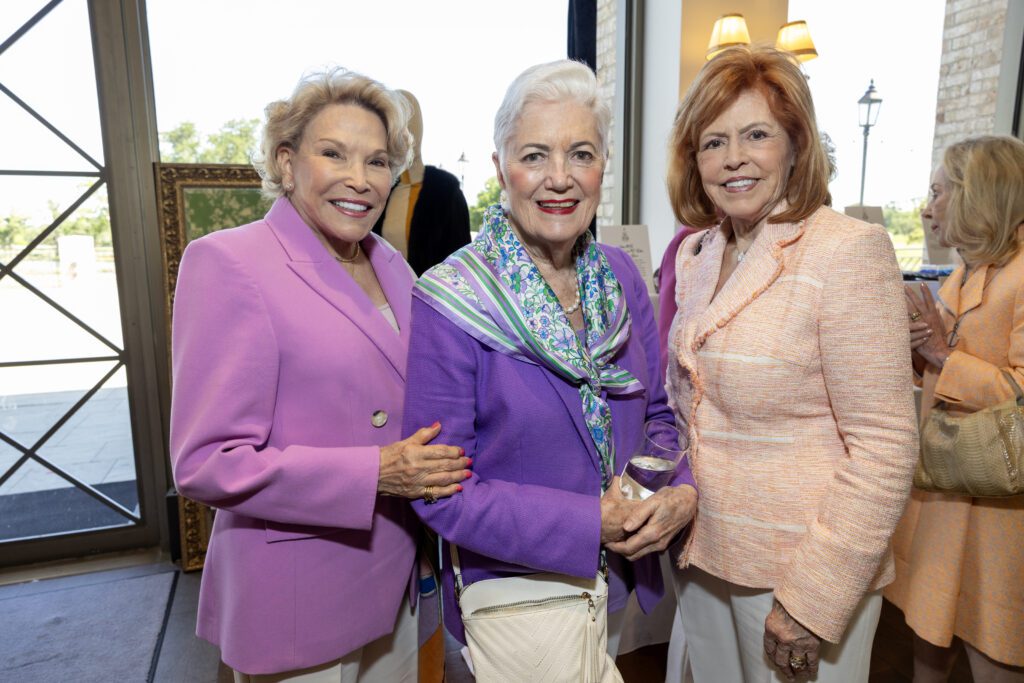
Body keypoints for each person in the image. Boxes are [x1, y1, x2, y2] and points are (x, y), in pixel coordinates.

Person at [169, 68, 471, 681]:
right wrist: (375, 472)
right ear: (286, 162)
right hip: (298, 595)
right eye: (334, 153)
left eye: (377, 161)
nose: (359, 179)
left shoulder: (393, 266)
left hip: (396, 578)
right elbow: (207, 462)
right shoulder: (230, 262)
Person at [402, 59, 698, 667]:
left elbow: (660, 417)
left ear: (603, 166)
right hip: (520, 594)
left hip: (618, 579)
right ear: (500, 168)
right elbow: (440, 493)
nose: (559, 178)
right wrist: (590, 523)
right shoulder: (451, 298)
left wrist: (677, 492)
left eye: (580, 154)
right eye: (534, 155)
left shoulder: (620, 277)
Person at [664, 46, 918, 682]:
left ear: (796, 145)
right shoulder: (699, 254)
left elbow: (884, 447)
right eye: (713, 142)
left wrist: (813, 597)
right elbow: (689, 405)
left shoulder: (846, 251)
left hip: (798, 574)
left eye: (757, 135)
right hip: (703, 554)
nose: (734, 158)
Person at [888, 135, 1024, 683]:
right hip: (946, 490)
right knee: (929, 626)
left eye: (937, 192)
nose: (927, 208)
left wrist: (941, 352)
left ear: (977, 195)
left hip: (1000, 510)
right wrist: (916, 350)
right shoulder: (967, 271)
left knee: (992, 639)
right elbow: (935, 366)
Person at [372, 90, 472, 275]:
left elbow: (462, 260)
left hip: (433, 292)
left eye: (408, 124)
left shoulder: (444, 191)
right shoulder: (381, 188)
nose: (402, 134)